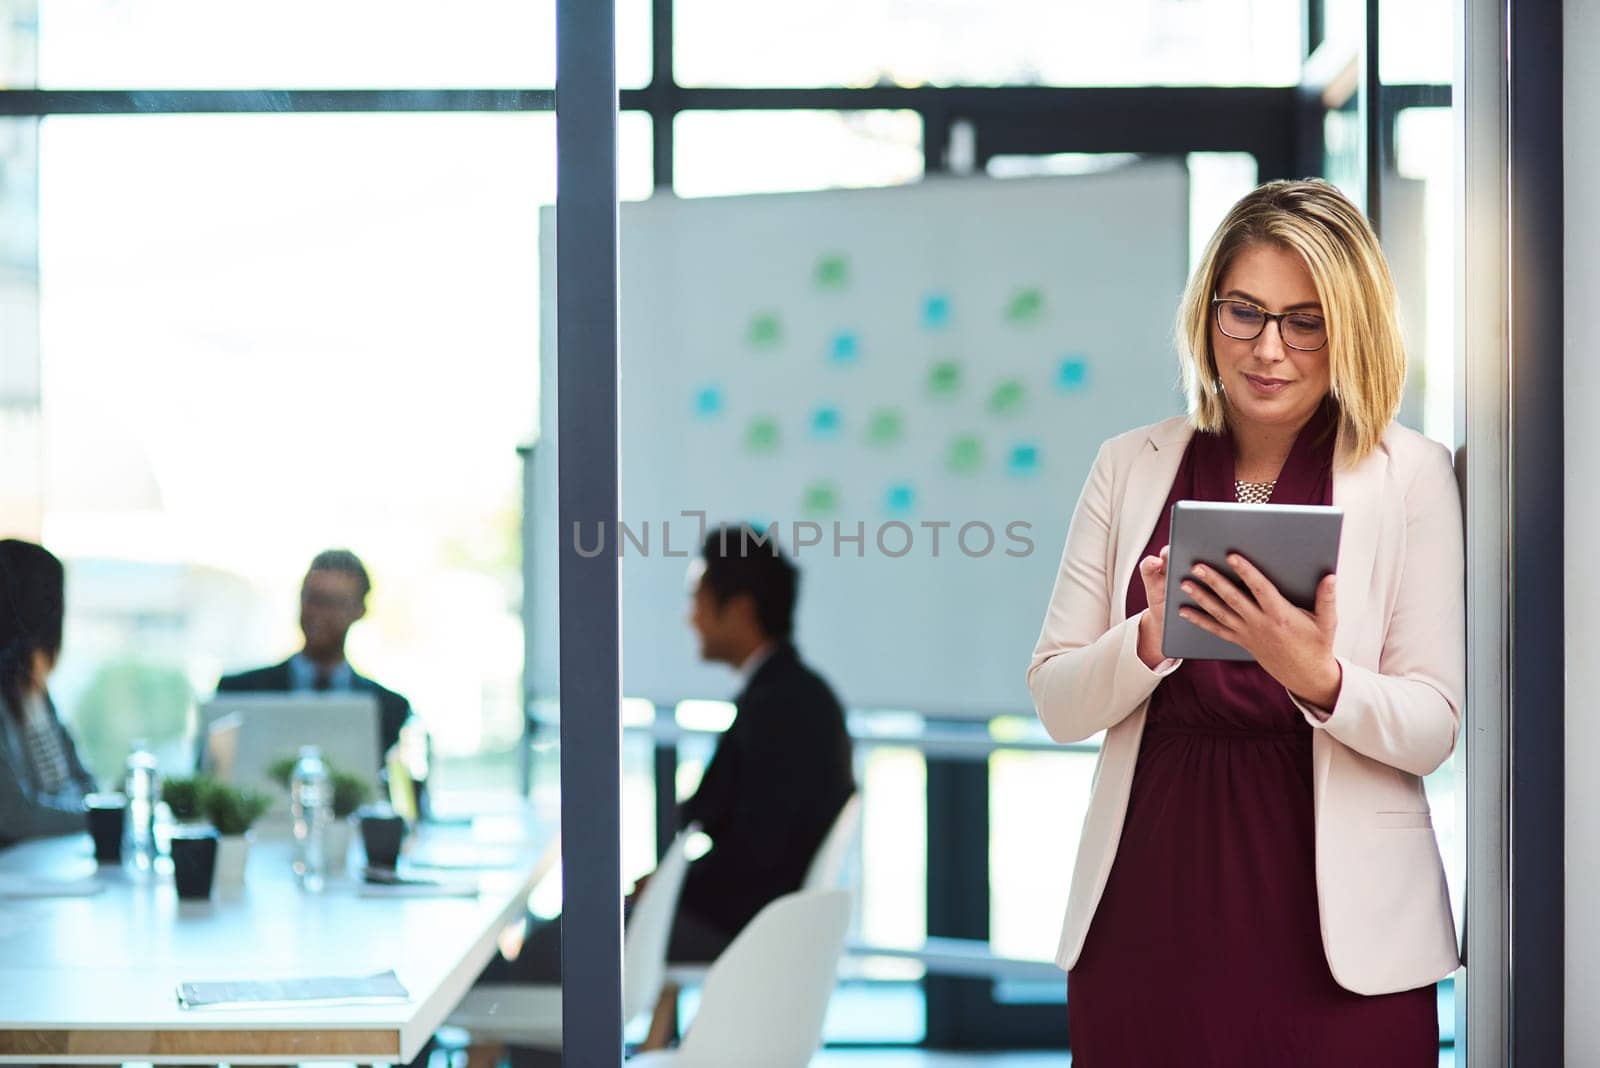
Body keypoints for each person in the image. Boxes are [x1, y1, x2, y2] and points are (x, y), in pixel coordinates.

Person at [1027, 179, 1460, 1065]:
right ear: (1206, 313)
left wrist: (1318, 677)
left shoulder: (1411, 473)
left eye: (1306, 321)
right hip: (1149, 897)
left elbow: (1434, 726)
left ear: (1352, 329)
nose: (1269, 349)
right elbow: (1057, 701)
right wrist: (1144, 644)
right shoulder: (1129, 464)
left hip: (1341, 929)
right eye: (1245, 313)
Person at [485, 522, 855, 981]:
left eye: (697, 599)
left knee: (543, 957)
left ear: (739, 610)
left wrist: (666, 891)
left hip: (737, 923)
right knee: (561, 937)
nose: (689, 617)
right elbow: (720, 813)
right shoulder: (789, 694)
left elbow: (756, 854)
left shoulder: (781, 708)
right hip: (741, 914)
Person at [216, 549, 416, 766]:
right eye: (312, 598)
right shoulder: (239, 693)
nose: (318, 612)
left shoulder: (390, 710)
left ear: (360, 610)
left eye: (333, 602)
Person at [0, 539, 98, 845]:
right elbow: (17, 817)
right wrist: (102, 817)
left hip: (48, 858)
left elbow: (87, 784)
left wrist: (94, 810)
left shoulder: (37, 693)